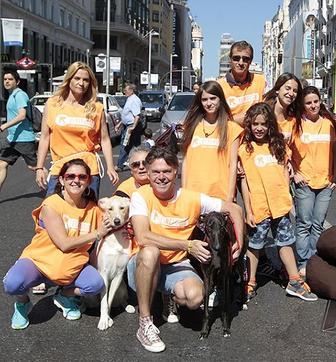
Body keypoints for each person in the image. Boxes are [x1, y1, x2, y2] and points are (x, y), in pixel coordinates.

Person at [128, 147, 244, 353]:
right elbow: (143, 236)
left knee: (195, 298)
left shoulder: (191, 198)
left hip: (176, 264)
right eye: (155, 172)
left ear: (176, 171)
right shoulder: (140, 196)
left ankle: (168, 296)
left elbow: (234, 208)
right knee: (150, 251)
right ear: (148, 172)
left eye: (167, 171)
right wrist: (187, 245)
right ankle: (145, 323)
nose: (161, 177)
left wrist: (239, 242)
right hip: (143, 265)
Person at [3, 159, 109, 329]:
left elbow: (115, 219)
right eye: (70, 176)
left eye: (82, 176)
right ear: (61, 180)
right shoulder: (51, 204)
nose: (76, 180)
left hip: (71, 268)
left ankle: (65, 295)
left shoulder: (95, 210)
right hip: (39, 263)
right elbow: (63, 244)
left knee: (95, 285)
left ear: (89, 181)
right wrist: (96, 233)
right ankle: (22, 303)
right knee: (12, 284)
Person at [239, 102, 317, 302]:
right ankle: (250, 282)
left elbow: (285, 171)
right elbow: (245, 183)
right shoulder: (245, 149)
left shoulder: (278, 146)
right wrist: (248, 210)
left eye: (263, 124)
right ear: (249, 125)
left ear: (270, 125)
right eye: (255, 124)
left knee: (285, 242)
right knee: (255, 246)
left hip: (280, 205)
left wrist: (288, 198)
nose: (259, 128)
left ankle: (294, 281)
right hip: (258, 207)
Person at [34, 61, 119, 200]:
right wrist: (39, 168)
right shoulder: (53, 104)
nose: (81, 83)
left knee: (85, 216)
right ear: (69, 79)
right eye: (77, 78)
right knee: (52, 213)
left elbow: (104, 139)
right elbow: (45, 137)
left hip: (88, 170)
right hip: (60, 168)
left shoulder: (96, 108)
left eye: (86, 80)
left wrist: (110, 167)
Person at [291, 86, 336, 277]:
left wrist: (334, 178)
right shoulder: (297, 124)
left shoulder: (328, 123)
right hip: (304, 183)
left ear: (320, 101)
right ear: (302, 106)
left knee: (318, 224)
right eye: (308, 103)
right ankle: (303, 262)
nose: (313, 106)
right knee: (304, 223)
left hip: (325, 183)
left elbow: (335, 152)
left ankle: (314, 260)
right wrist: (295, 173)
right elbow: (286, 151)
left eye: (316, 101)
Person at [0, 70, 37, 205]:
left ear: (17, 81)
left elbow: (22, 116)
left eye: (10, 79)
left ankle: (57, 187)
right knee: (1, 164)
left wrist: (2, 127)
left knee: (34, 168)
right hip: (13, 138)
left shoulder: (20, 95)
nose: (7, 82)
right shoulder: (12, 95)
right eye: (5, 79)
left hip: (24, 139)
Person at [180, 81, 243, 201]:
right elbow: (186, 161)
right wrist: (184, 192)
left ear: (220, 99)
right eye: (204, 100)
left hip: (220, 195)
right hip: (193, 194)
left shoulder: (232, 128)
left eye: (213, 98)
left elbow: (233, 165)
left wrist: (230, 197)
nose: (209, 103)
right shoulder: (192, 126)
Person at [217, 41, 266, 125]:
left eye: (245, 59)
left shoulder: (261, 81)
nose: (240, 63)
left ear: (250, 61)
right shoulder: (219, 86)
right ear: (230, 60)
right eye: (236, 58)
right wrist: (234, 120)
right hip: (230, 136)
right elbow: (214, 119)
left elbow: (268, 112)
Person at [263, 72, 303, 141]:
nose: (291, 93)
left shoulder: (294, 119)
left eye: (295, 91)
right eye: (287, 88)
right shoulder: (263, 112)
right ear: (278, 89)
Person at [116, 83, 143, 171]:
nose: (124, 92)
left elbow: (137, 115)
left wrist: (133, 127)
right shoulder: (130, 99)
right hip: (128, 125)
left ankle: (120, 165)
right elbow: (127, 114)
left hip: (131, 126)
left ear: (131, 90)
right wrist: (119, 124)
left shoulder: (134, 100)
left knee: (125, 144)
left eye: (126, 90)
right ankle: (138, 162)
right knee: (134, 145)